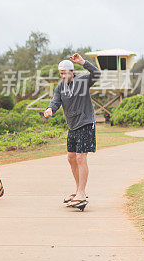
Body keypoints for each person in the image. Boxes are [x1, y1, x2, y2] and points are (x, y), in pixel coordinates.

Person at [43, 53, 101, 208]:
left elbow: (97, 74)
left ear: (72, 71)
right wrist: (50, 109)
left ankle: (82, 192)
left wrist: (83, 62)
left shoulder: (82, 80)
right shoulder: (61, 86)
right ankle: (78, 191)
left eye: (65, 72)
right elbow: (55, 101)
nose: (63, 76)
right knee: (71, 158)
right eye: (60, 73)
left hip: (85, 123)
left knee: (81, 158)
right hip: (72, 126)